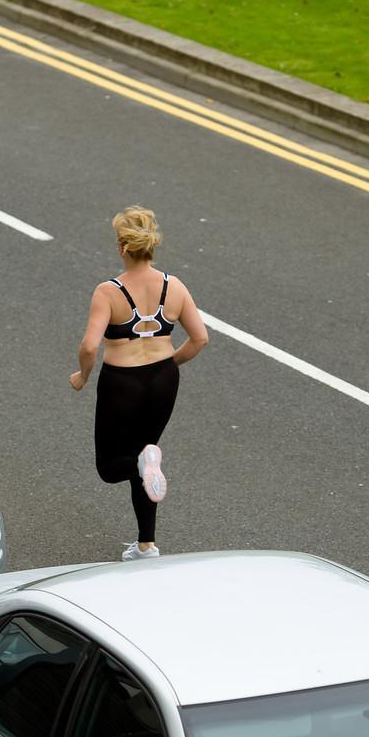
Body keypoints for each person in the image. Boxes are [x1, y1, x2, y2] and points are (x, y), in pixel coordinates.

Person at [70, 206, 208, 561]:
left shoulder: (109, 292)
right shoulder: (173, 287)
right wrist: (169, 363)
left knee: (112, 467)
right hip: (163, 381)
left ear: (121, 246)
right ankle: (147, 545)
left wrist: (83, 376)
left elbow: (89, 346)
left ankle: (142, 470)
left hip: (122, 384)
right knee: (147, 461)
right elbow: (200, 338)